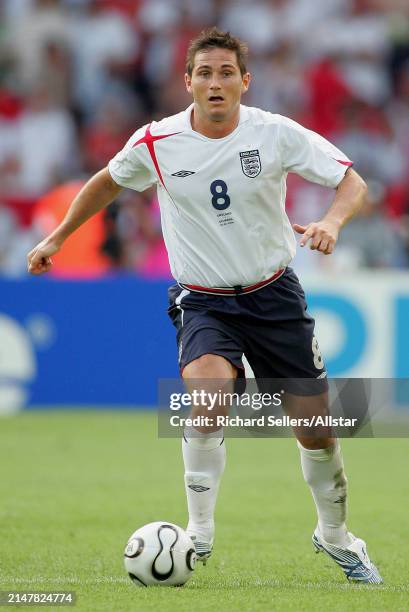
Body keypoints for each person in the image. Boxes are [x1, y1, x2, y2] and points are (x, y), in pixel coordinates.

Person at [27, 27, 382, 584]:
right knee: (209, 398)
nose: (215, 84)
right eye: (205, 74)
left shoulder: (276, 133)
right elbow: (106, 183)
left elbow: (352, 182)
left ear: (245, 81)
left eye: (226, 74)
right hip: (204, 301)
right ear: (187, 81)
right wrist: (57, 238)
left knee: (316, 431)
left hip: (274, 295)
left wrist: (332, 223)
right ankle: (198, 536)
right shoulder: (156, 142)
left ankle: (335, 536)